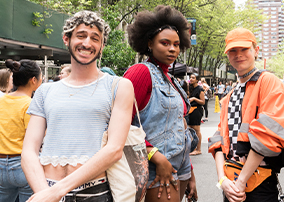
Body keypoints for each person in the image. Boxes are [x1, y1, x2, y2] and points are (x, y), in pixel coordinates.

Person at [21, 10, 135, 202]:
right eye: (81, 36)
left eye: (95, 38)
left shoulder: (119, 86)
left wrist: (56, 192)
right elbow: (29, 151)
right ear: (67, 39)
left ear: (102, 45)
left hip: (94, 192)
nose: (87, 43)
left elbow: (114, 149)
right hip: (45, 188)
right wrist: (46, 194)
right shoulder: (45, 91)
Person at [208, 27, 284, 202]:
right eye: (233, 51)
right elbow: (219, 140)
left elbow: (269, 135)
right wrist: (222, 180)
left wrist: (241, 181)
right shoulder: (230, 94)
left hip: (258, 183)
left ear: (256, 51)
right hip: (232, 181)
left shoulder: (268, 81)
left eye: (244, 49)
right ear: (227, 55)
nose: (238, 55)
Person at [124, 5, 197, 202]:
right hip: (155, 168)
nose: (172, 49)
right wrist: (155, 156)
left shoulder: (170, 78)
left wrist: (189, 170)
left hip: (178, 165)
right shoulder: (140, 72)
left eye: (176, 44)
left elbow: (178, 127)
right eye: (165, 43)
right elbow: (120, 125)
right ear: (149, 43)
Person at [0, 59, 42, 202]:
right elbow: (35, 137)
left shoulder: (1, 100)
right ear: (34, 80)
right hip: (23, 165)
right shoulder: (30, 105)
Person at [188, 73, 205, 156]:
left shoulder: (200, 89)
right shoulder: (190, 88)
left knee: (196, 129)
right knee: (191, 129)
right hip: (190, 110)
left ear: (197, 80)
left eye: (193, 78)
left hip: (197, 110)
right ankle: (193, 148)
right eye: (190, 77)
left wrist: (194, 98)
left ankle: (198, 149)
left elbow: (203, 102)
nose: (191, 79)